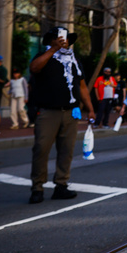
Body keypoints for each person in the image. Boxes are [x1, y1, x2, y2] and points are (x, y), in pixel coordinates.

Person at [28, 27, 94, 204]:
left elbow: (82, 87)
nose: (63, 42)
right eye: (58, 39)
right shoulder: (44, 56)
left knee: (67, 150)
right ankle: (37, 187)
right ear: (51, 40)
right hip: (48, 112)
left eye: (65, 39)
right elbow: (34, 68)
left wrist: (91, 109)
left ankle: (61, 185)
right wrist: (53, 49)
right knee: (41, 149)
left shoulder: (74, 60)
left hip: (71, 112)